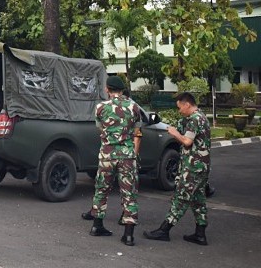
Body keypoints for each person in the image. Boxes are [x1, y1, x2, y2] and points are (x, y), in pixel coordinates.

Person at [144, 92, 211, 245]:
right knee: (198, 200)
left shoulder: (195, 119)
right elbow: (186, 134)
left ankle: (164, 230)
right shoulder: (200, 117)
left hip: (193, 167)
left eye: (180, 107)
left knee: (180, 198)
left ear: (187, 104)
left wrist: (175, 133)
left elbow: (187, 141)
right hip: (201, 167)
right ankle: (200, 234)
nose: (179, 110)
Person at [86, 76, 141, 247]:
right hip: (127, 156)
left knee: (101, 189)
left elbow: (100, 129)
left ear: (107, 89)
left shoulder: (101, 107)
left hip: (107, 155)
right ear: (123, 90)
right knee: (129, 193)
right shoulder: (134, 107)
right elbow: (137, 130)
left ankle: (97, 226)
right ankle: (129, 235)